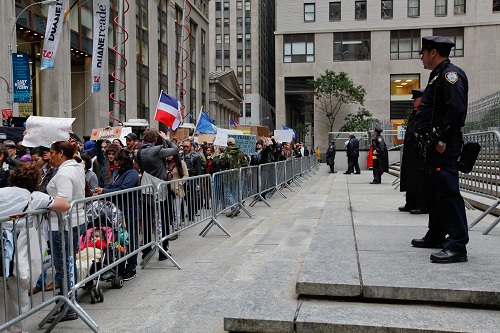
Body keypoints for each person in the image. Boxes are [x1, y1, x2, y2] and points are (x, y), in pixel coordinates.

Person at [411, 36, 469, 264]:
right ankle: (437, 234)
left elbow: (456, 111)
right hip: (433, 144)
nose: (421, 58)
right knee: (435, 191)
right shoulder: (437, 76)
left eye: (422, 53)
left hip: (444, 144)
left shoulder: (450, 75)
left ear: (433, 52)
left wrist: (441, 139)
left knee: (447, 190)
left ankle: (457, 244)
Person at [0, 162, 71, 333]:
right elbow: (65, 205)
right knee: (18, 294)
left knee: (1, 294)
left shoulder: (1, 192)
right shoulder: (35, 197)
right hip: (16, 251)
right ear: (36, 182)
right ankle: (16, 329)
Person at [45, 140, 87, 322]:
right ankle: (68, 301)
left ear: (60, 153)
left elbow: (64, 201)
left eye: (52, 152)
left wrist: (41, 201)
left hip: (63, 225)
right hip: (74, 222)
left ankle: (68, 306)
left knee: (63, 266)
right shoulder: (76, 166)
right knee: (68, 263)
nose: (49, 156)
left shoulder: (65, 172)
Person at [95, 149, 140, 280]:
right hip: (117, 212)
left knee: (130, 238)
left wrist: (104, 191)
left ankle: (131, 267)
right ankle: (119, 266)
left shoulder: (132, 173)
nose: (113, 161)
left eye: (116, 159)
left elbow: (123, 189)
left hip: (129, 210)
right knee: (118, 239)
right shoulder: (116, 172)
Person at [135, 129, 178, 260]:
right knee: (163, 219)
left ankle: (146, 251)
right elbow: (175, 149)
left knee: (147, 221)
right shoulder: (158, 150)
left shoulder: (139, 152)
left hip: (146, 188)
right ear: (155, 140)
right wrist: (166, 138)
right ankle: (163, 250)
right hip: (160, 188)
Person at [399, 88, 427, 215]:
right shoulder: (415, 113)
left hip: (419, 151)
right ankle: (410, 202)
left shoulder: (425, 112)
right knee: (410, 176)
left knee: (418, 178)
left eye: (415, 99)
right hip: (410, 151)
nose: (413, 101)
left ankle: (421, 205)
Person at [219, 137, 249, 217]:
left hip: (228, 175)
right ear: (234, 143)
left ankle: (234, 207)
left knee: (227, 193)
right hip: (238, 175)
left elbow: (221, 164)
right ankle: (234, 208)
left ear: (227, 144)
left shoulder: (225, 153)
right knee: (236, 193)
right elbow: (245, 163)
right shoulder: (240, 152)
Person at [166, 153, 189, 239]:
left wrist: (179, 183)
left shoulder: (180, 162)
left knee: (176, 210)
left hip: (177, 190)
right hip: (166, 189)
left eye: (170, 154)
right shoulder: (164, 163)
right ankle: (170, 227)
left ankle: (176, 229)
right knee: (169, 209)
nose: (168, 155)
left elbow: (186, 175)